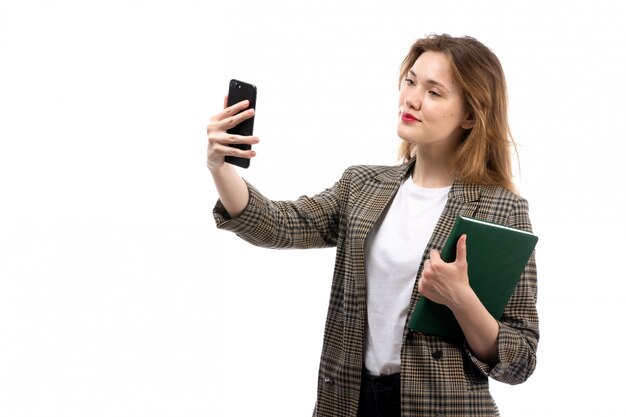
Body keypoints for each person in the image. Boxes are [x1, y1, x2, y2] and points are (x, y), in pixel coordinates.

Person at [206, 34, 538, 417]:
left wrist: (461, 300)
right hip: (348, 401)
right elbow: (279, 225)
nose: (411, 99)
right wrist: (221, 167)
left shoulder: (500, 209)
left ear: (469, 114)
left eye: (434, 92)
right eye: (410, 81)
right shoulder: (362, 186)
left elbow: (520, 360)